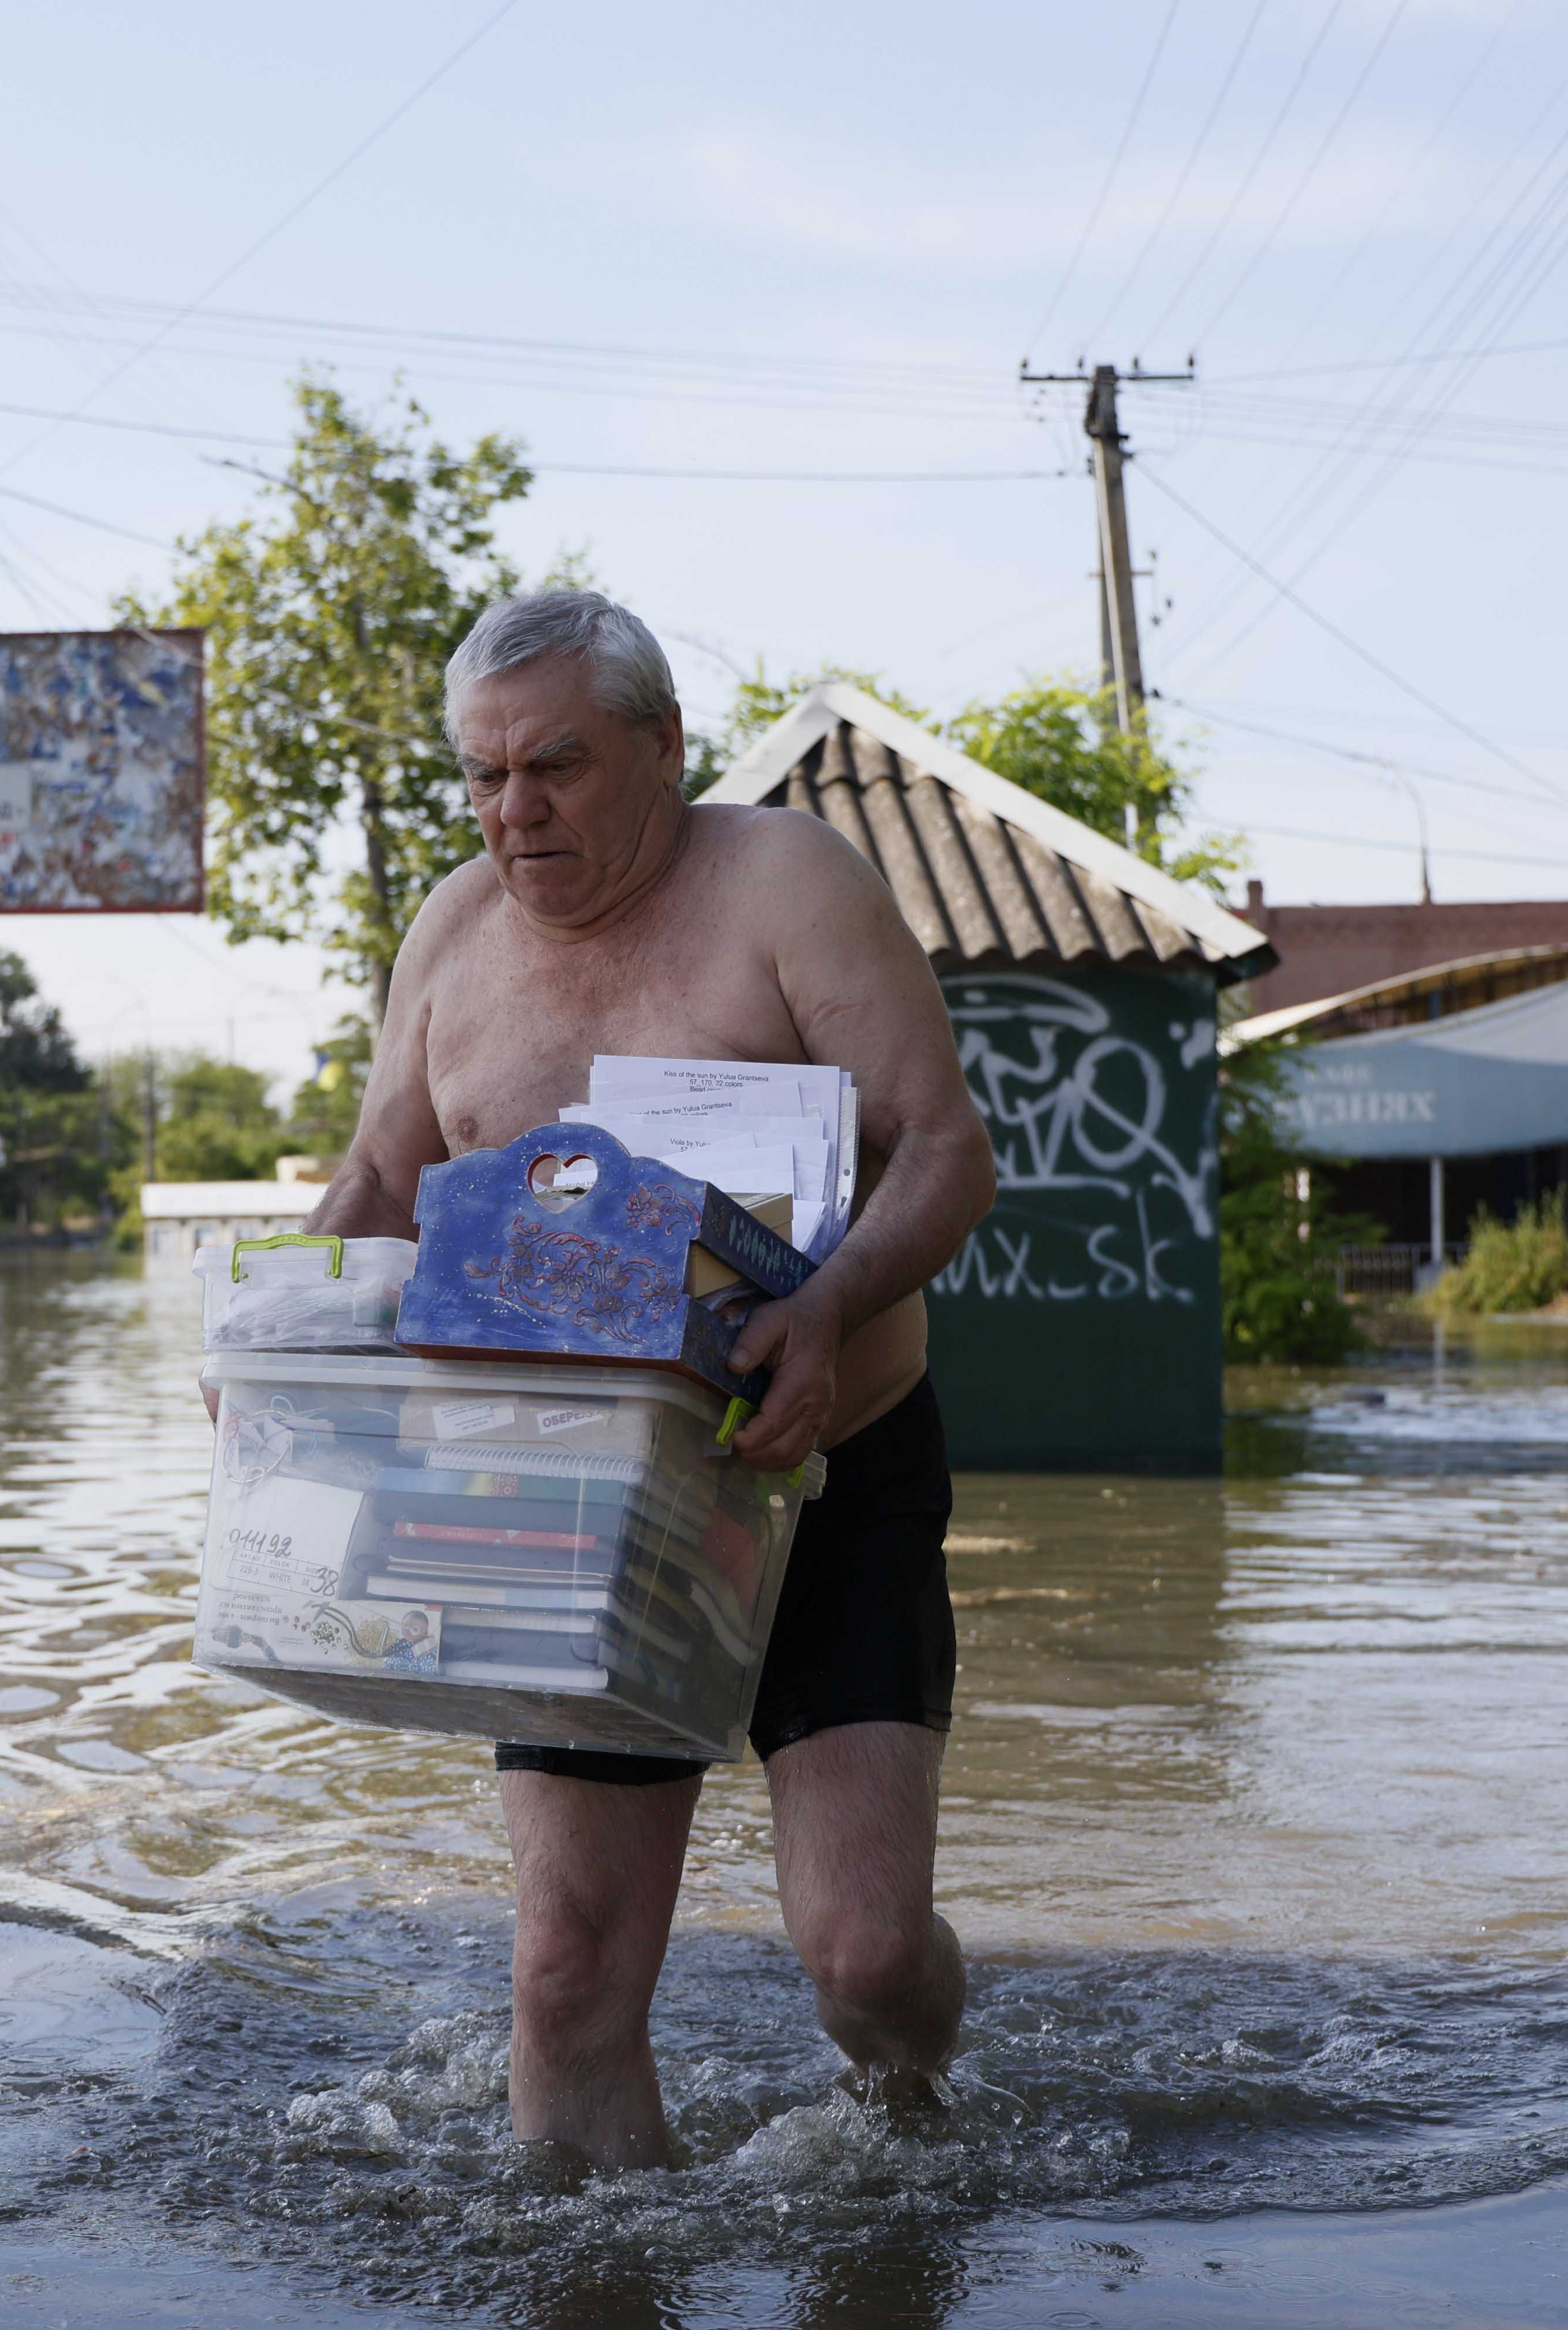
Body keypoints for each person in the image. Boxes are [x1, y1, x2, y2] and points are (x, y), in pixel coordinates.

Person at [303, 589, 1000, 2169]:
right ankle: (589, 2270)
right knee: (563, 1979)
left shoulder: (786, 881)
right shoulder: (452, 933)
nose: (512, 811)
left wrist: (822, 1314)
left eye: (552, 766)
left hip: (824, 1466)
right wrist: (278, 1351)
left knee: (869, 1964)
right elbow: (373, 1184)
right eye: (482, 777)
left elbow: (952, 1152)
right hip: (565, 1511)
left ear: (664, 746)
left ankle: (915, 2124)